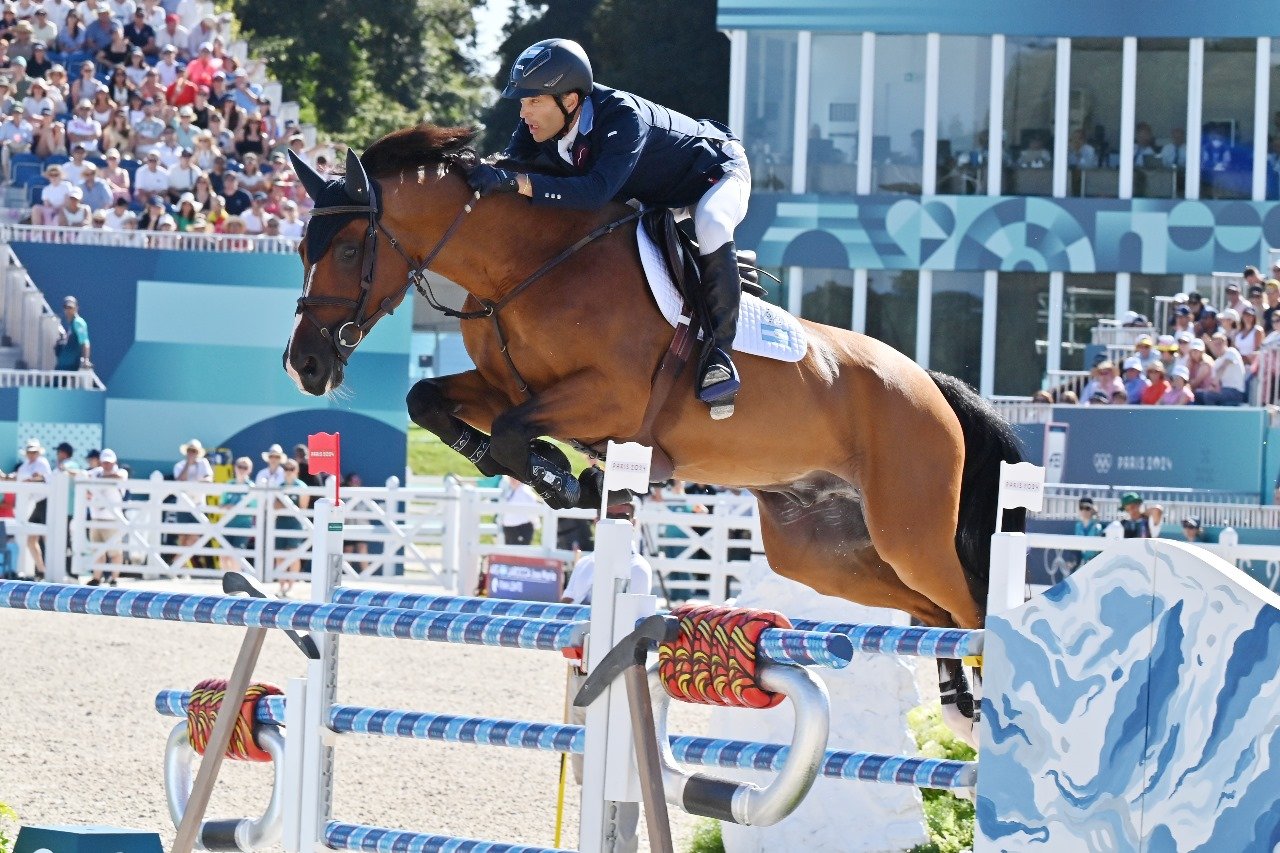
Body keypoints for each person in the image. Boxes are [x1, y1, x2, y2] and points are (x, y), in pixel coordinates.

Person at [472, 38, 751, 418]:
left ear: (570, 100)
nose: (524, 113)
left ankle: (720, 356)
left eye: (533, 101)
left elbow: (594, 192)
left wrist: (517, 183)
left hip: (714, 175)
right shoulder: (537, 125)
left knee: (712, 224)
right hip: (654, 197)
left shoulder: (623, 117)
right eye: (522, 102)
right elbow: (510, 167)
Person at [84, 447, 127, 586]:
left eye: (109, 462)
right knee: (97, 550)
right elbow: (83, 476)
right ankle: (97, 577)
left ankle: (114, 578)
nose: (107, 465)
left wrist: (96, 480)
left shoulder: (120, 472)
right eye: (105, 462)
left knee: (115, 551)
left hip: (112, 519)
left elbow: (119, 477)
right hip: (96, 518)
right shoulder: (96, 473)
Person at [11, 438, 51, 578]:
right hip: (34, 504)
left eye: (34, 452)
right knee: (31, 539)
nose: (32, 454)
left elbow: (43, 478)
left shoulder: (42, 463)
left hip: (45, 502)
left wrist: (29, 479)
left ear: (38, 452)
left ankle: (47, 570)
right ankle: (42, 570)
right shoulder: (25, 466)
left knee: (47, 537)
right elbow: (19, 478)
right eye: (30, 452)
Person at [273, 458, 310, 594]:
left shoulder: (301, 486)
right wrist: (286, 506)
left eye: (291, 469)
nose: (288, 471)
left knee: (293, 554)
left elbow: (303, 507)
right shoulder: (280, 486)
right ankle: (281, 585)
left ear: (297, 471)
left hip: (295, 523)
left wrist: (285, 505)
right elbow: (275, 506)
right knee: (280, 555)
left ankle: (291, 586)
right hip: (281, 522)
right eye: (286, 468)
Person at [218, 455, 256, 572]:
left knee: (236, 554)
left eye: (245, 467)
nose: (242, 469)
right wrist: (231, 507)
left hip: (243, 525)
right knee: (223, 554)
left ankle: (235, 579)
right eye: (240, 466)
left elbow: (254, 508)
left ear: (249, 470)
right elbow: (221, 504)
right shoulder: (229, 484)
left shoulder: (251, 487)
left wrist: (233, 507)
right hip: (227, 524)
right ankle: (226, 578)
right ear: (235, 467)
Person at [1197, 332, 1246, 406]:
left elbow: (1222, 368)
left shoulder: (1231, 352)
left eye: (1220, 343)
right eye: (1215, 344)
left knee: (1208, 396)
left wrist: (1213, 384)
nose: (1218, 346)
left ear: (1225, 343)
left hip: (1235, 392)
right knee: (1197, 395)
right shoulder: (1217, 361)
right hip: (1223, 391)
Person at [497, 474, 541, 545]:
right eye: (510, 478)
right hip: (508, 529)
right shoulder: (508, 491)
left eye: (515, 478)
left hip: (521, 528)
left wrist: (536, 524)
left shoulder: (527, 493)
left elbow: (533, 513)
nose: (512, 480)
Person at [54, 294, 90, 371]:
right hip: (64, 367)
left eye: (70, 307)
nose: (68, 310)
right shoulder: (71, 323)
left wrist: (86, 360)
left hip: (70, 367)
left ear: (76, 308)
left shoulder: (78, 322)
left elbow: (85, 342)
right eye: (66, 307)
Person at [1069, 496, 1104, 568]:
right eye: (1081, 508)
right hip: (1080, 564)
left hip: (1093, 564)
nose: (1084, 511)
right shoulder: (1078, 526)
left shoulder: (1097, 526)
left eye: (1087, 508)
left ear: (1092, 509)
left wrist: (1096, 515)